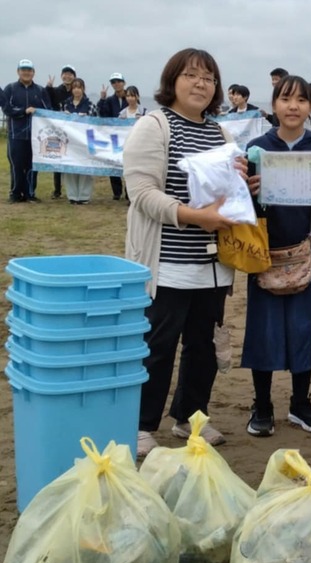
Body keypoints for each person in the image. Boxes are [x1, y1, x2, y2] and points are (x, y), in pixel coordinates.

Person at [123, 48, 240, 458]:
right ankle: (142, 424)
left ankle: (190, 418)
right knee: (157, 345)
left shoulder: (221, 133)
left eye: (208, 77)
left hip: (213, 264)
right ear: (172, 81)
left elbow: (229, 192)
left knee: (204, 346)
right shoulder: (154, 125)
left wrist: (246, 186)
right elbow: (142, 193)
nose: (200, 83)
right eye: (191, 75)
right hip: (166, 262)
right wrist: (194, 217)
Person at [242, 75, 311, 437]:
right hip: (264, 256)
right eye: (285, 99)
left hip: (308, 256)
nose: (293, 106)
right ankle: (262, 405)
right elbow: (243, 212)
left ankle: (300, 403)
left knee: (304, 330)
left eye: (301, 100)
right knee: (264, 331)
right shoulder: (256, 149)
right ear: (273, 104)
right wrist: (248, 191)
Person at [3, 59, 50, 203]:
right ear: (18, 72)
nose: (26, 73)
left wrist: (38, 111)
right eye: (23, 70)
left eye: (29, 70)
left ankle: (30, 193)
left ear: (33, 72)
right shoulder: (10, 88)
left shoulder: (40, 90)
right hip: (16, 134)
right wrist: (24, 111)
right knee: (16, 165)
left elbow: (48, 110)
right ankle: (16, 194)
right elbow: (7, 109)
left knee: (32, 165)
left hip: (36, 136)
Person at [61, 77, 95, 205]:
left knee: (85, 168)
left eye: (79, 87)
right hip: (69, 142)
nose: (77, 90)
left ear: (83, 89)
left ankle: (84, 196)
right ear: (71, 89)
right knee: (70, 168)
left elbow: (96, 123)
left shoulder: (90, 104)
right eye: (74, 87)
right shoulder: (65, 104)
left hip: (84, 142)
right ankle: (72, 195)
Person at [46, 64, 76, 199]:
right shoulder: (55, 90)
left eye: (70, 74)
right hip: (57, 130)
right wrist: (48, 88)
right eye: (65, 73)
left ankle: (72, 189)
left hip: (74, 131)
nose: (67, 76)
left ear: (74, 76)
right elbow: (47, 103)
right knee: (57, 158)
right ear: (61, 76)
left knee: (72, 158)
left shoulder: (77, 90)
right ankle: (57, 190)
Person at [98, 72, 129, 200]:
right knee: (113, 162)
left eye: (118, 81)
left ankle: (129, 192)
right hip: (113, 137)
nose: (116, 84)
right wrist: (102, 99)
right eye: (113, 82)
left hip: (128, 137)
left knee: (128, 163)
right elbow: (102, 115)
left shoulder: (131, 97)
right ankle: (117, 192)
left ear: (123, 83)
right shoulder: (110, 100)